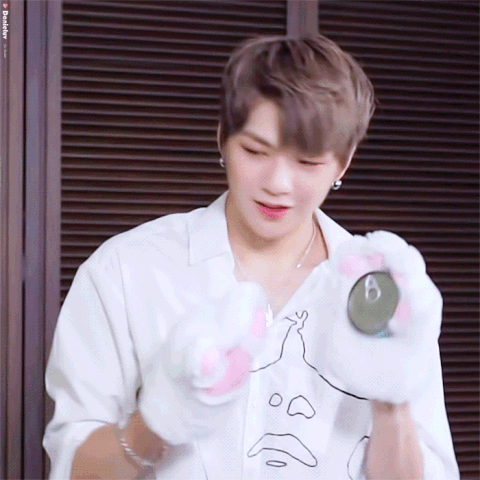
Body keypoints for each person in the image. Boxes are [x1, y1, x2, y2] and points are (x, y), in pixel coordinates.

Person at [43, 34, 459, 480]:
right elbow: (72, 470)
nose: (277, 183)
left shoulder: (381, 291)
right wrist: (155, 424)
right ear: (222, 137)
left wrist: (392, 400)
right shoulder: (125, 273)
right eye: (256, 151)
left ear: (343, 162)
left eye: (307, 162)